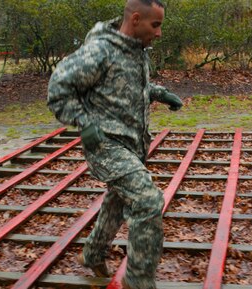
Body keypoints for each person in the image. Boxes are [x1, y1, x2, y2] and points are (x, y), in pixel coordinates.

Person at [47, 0, 182, 288]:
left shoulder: (136, 50)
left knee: (118, 199)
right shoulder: (102, 50)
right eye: (155, 25)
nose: (159, 33)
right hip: (106, 145)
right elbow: (58, 87)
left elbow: (126, 87)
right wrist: (84, 122)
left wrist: (159, 93)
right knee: (147, 201)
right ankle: (139, 282)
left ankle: (93, 253)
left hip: (132, 142)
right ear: (135, 19)